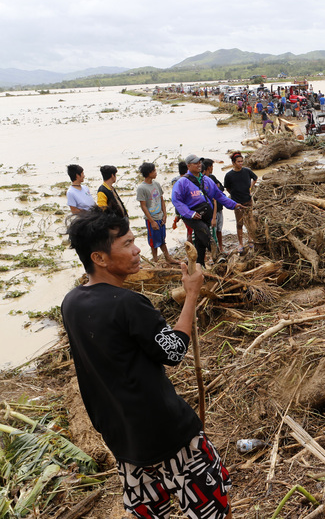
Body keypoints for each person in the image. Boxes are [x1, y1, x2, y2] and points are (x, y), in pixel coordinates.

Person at [61, 208, 232, 519]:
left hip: (123, 438)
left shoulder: (71, 302)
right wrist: (192, 294)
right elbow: (175, 352)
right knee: (212, 509)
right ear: (99, 258)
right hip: (169, 434)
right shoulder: (128, 305)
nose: (138, 250)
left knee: (151, 512)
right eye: (126, 244)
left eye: (134, 241)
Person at [172, 154, 241, 266]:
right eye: (196, 163)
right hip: (192, 216)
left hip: (205, 214)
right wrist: (190, 213)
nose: (199, 165)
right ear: (188, 166)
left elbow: (219, 196)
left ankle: (200, 265)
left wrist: (234, 205)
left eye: (200, 162)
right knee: (204, 231)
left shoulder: (206, 180)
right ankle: (218, 255)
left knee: (200, 242)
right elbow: (176, 200)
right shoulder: (182, 182)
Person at [137, 162, 179, 265]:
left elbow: (161, 200)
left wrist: (165, 215)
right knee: (153, 241)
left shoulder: (156, 184)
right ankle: (156, 259)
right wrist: (151, 221)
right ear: (149, 173)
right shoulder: (142, 188)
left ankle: (166, 258)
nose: (156, 173)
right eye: (154, 171)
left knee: (162, 238)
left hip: (160, 216)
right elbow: (143, 206)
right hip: (152, 218)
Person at [223, 152, 258, 251]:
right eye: (238, 162)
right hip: (237, 203)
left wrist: (250, 188)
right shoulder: (229, 175)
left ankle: (251, 240)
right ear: (233, 163)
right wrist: (234, 194)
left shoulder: (247, 171)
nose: (241, 163)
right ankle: (240, 243)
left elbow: (255, 178)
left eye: (242, 161)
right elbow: (228, 188)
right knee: (239, 223)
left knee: (250, 220)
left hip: (248, 200)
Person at [201, 159, 225, 254]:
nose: (212, 169)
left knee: (219, 229)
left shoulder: (212, 177)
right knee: (211, 231)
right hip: (211, 210)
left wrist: (217, 188)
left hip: (218, 208)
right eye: (212, 167)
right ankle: (213, 251)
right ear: (208, 168)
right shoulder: (204, 181)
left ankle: (220, 248)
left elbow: (221, 188)